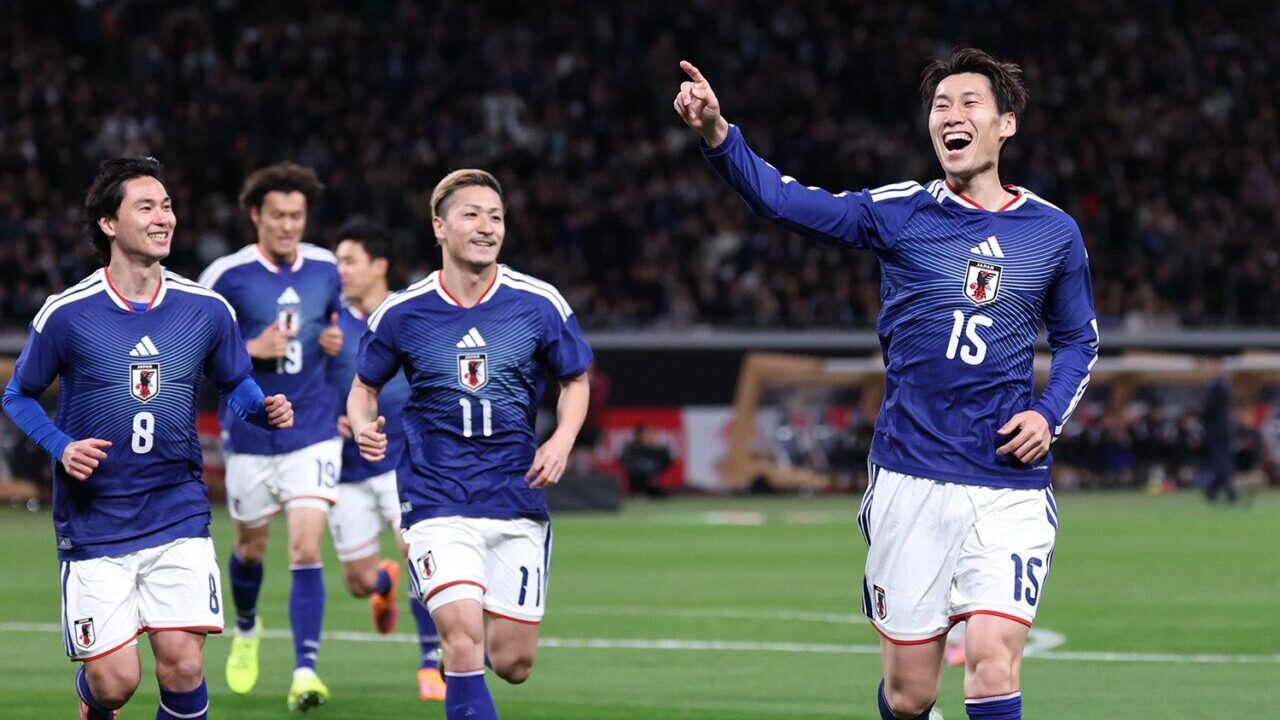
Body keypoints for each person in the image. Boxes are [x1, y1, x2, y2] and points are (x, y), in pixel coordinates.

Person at [675, 48, 1099, 720]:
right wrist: (718, 135)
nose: (952, 117)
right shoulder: (900, 212)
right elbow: (784, 202)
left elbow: (1079, 339)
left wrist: (1049, 414)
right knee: (911, 695)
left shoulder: (1052, 233)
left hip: (1007, 482)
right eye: (940, 106)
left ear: (1006, 124)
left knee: (993, 663)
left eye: (968, 104)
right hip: (912, 474)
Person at [1, 157, 293, 720]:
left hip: (176, 506)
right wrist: (61, 445)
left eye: (167, 206)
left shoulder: (206, 309)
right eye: (146, 207)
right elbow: (16, 395)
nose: (164, 218)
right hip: (95, 518)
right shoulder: (67, 313)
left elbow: (236, 383)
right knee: (116, 683)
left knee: (183, 665)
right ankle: (94, 701)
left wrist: (264, 409)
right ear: (109, 224)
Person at [348, 169, 592, 720]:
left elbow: (575, 378)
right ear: (439, 226)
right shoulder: (403, 312)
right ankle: (454, 652)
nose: (487, 227)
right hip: (435, 498)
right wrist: (363, 424)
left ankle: (458, 657)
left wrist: (562, 440)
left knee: (512, 663)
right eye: (472, 215)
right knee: (462, 640)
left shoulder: (537, 302)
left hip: (515, 496)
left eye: (496, 216)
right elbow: (363, 387)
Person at [197, 162, 344, 711]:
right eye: (278, 215)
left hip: (314, 429)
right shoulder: (225, 277)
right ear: (256, 215)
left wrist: (334, 338)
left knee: (306, 546)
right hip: (252, 433)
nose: (288, 226)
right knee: (251, 549)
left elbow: (340, 324)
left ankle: (306, 672)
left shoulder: (327, 269)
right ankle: (246, 625)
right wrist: (246, 351)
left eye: (297, 216)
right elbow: (191, 350)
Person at [329, 218, 446, 701]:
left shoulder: (409, 315)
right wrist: (327, 422)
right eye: (337, 262)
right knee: (357, 583)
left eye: (349, 261)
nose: (341, 271)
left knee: (420, 555)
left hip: (404, 462)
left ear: (378, 266)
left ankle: (430, 662)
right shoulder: (328, 322)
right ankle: (381, 584)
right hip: (346, 469)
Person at [1199, 356, 1236, 503]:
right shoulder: (1221, 384)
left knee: (1222, 462)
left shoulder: (1219, 385)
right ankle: (1213, 491)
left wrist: (1200, 414)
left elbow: (1210, 409)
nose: (1206, 370)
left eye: (1208, 366)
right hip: (1219, 430)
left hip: (1217, 431)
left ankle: (1228, 491)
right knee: (1219, 462)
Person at [619, 425, 673, 497]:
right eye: (646, 433)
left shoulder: (658, 449)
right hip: (637, 482)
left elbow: (666, 462)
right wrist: (646, 474)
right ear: (639, 435)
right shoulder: (631, 448)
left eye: (651, 433)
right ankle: (639, 493)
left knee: (662, 494)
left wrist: (653, 475)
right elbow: (628, 464)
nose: (649, 436)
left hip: (652, 482)